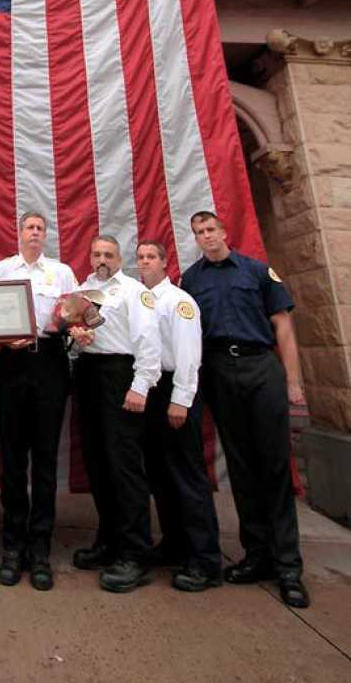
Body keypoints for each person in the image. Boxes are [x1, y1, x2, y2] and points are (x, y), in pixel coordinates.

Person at [181, 211, 309, 609]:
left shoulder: (257, 272)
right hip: (220, 369)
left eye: (210, 230)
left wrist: (292, 381)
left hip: (260, 367)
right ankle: (257, 556)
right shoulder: (192, 279)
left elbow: (282, 326)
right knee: (240, 465)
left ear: (224, 232)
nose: (206, 237)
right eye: (199, 233)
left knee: (273, 465)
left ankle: (288, 566)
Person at [0, 211, 76, 591]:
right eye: (30, 227)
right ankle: (12, 547)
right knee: (12, 458)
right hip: (12, 362)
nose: (35, 233)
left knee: (43, 460)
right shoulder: (1, 270)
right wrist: (3, 339)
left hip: (50, 362)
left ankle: (40, 549)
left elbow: (75, 315)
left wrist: (80, 324)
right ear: (19, 232)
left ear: (46, 235)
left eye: (41, 228)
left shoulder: (62, 272)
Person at [71, 234, 161, 593]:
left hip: (120, 375)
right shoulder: (81, 291)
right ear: (90, 257)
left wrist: (140, 386)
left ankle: (136, 554)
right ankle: (108, 541)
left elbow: (148, 340)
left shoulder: (134, 291)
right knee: (97, 462)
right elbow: (73, 332)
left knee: (125, 466)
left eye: (108, 254)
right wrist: (76, 338)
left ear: (119, 258)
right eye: (96, 254)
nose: (102, 259)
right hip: (89, 374)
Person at [136, 240, 222, 592]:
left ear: (164, 262)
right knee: (159, 474)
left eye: (151, 257)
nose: (145, 262)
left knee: (187, 475)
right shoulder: (142, 301)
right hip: (151, 390)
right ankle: (174, 544)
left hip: (175, 388)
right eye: (140, 257)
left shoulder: (179, 301)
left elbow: (189, 355)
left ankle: (205, 560)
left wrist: (182, 399)